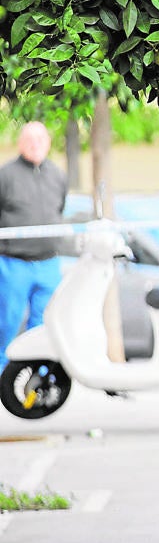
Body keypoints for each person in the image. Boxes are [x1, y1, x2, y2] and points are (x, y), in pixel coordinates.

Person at [0, 122, 67, 367]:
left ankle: (34, 376)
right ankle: (2, 375)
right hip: (14, 264)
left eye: (40, 139)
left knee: (42, 326)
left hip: (49, 263)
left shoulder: (58, 175)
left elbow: (59, 209)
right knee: (8, 322)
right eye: (29, 139)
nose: (35, 144)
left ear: (48, 142)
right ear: (20, 143)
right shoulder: (5, 176)